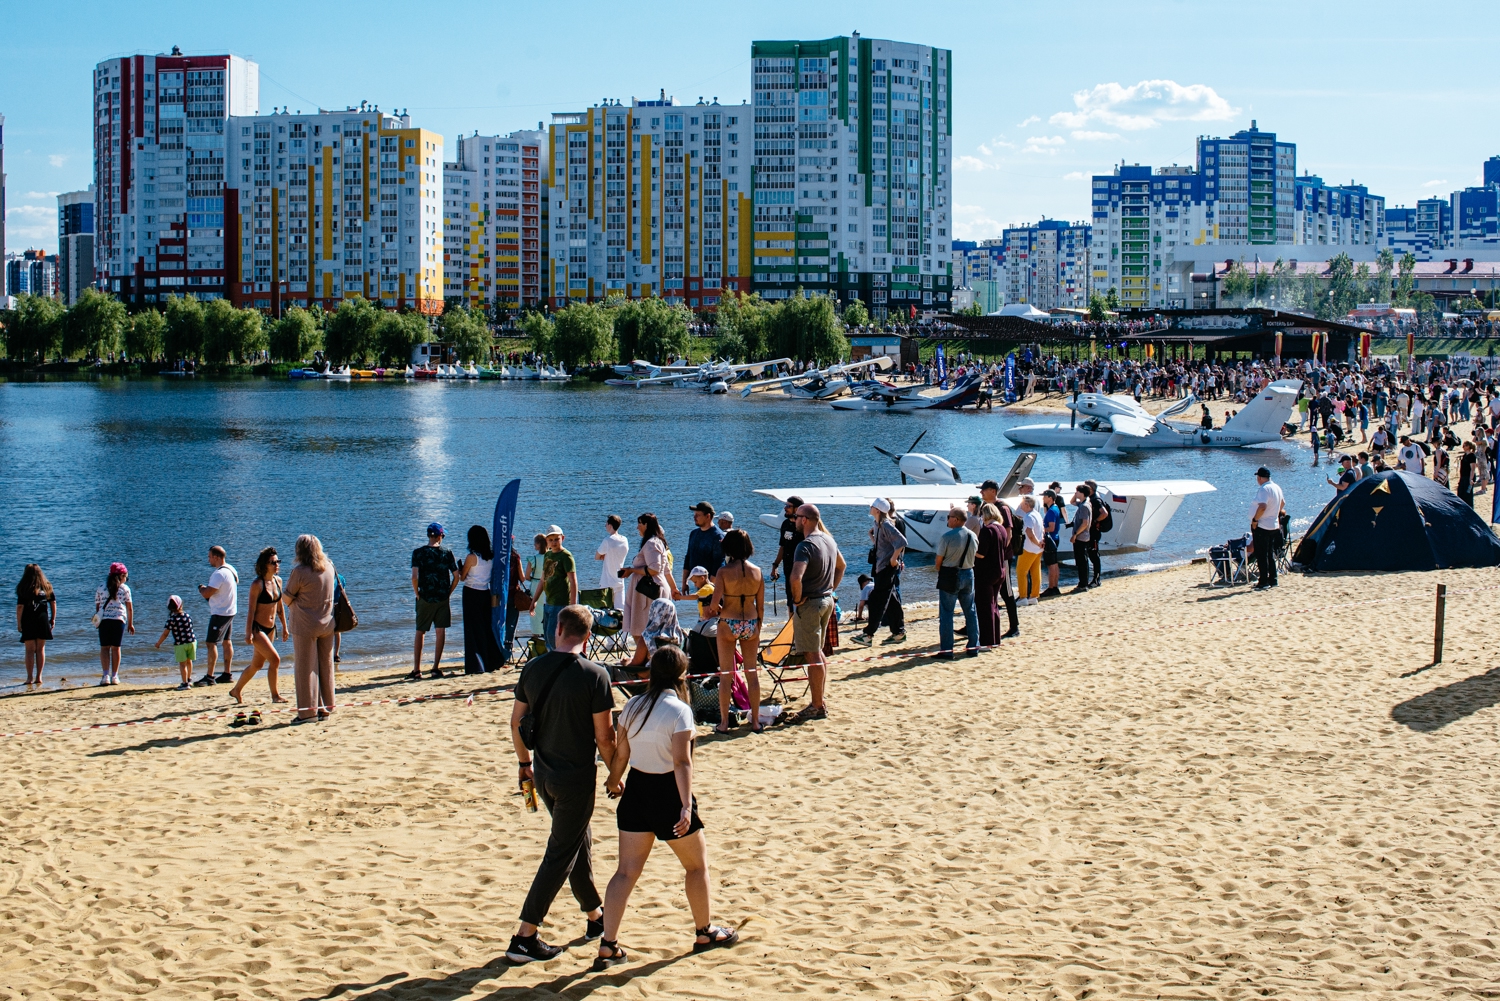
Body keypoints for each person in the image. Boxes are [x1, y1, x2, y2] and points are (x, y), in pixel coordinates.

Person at [594, 645, 738, 971]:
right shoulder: (679, 710)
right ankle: (704, 931)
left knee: (625, 872)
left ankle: (608, 944)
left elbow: (621, 753)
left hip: (637, 789)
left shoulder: (633, 705)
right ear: (682, 675)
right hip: (667, 793)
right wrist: (686, 806)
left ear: (651, 672)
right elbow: (682, 762)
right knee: (696, 867)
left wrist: (613, 781)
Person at [506, 604, 616, 964]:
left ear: (558, 629)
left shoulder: (533, 667)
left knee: (576, 842)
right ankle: (525, 935)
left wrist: (524, 763)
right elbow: (605, 737)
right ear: (588, 636)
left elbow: (516, 722)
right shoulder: (595, 675)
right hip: (575, 778)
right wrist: (616, 773)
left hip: (543, 773)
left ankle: (595, 916)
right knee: (561, 853)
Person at [787, 504, 845, 721]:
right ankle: (819, 701)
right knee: (818, 652)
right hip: (826, 601)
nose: (794, 520)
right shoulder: (829, 540)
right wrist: (830, 589)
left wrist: (796, 599)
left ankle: (817, 705)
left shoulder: (806, 545)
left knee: (812, 654)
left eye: (796, 516)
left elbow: (795, 577)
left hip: (811, 603)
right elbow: (842, 566)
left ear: (804, 520)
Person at [706, 529, 765, 733]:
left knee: (726, 675)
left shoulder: (723, 572)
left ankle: (723, 723)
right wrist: (757, 627)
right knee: (752, 674)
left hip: (728, 622)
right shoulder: (757, 571)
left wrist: (716, 609)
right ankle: (755, 721)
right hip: (751, 622)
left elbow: (714, 605)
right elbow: (761, 606)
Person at [284, 534, 337, 722]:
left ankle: (307, 713)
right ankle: (326, 707)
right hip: (327, 623)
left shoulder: (299, 572)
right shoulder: (329, 567)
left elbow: (287, 597)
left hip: (305, 625)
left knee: (305, 669)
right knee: (326, 666)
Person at [229, 547, 290, 705]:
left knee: (257, 664)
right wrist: (248, 632)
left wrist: (285, 626)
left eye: (277, 561)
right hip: (258, 629)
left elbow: (280, 607)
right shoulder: (257, 584)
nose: (276, 565)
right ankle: (275, 695)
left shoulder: (278, 581)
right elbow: (251, 610)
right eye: (272, 562)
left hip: (271, 629)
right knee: (275, 660)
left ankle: (236, 690)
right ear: (264, 565)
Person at [850, 498, 906, 647]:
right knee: (892, 600)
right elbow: (883, 545)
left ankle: (868, 635)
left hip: (886, 568)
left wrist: (894, 559)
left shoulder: (886, 524)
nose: (870, 507)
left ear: (878, 510)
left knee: (876, 601)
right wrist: (872, 537)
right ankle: (899, 632)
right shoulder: (878, 524)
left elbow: (901, 542)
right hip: (881, 568)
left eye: (872, 506)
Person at [410, 523, 459, 680]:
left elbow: (414, 577)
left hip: (424, 596)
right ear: (440, 536)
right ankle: (435, 667)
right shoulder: (447, 553)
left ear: (428, 535)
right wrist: (449, 592)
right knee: (440, 631)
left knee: (420, 631)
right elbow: (456, 576)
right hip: (442, 596)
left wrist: (417, 593)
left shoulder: (418, 553)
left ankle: (417, 669)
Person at [621, 514, 670, 669]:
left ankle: (649, 663)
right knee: (646, 630)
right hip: (650, 590)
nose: (637, 527)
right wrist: (674, 589)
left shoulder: (651, 543)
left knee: (641, 629)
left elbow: (655, 569)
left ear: (647, 525)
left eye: (640, 524)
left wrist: (632, 570)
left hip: (648, 592)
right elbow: (666, 570)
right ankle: (649, 661)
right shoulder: (657, 542)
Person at [933, 508, 979, 659]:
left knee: (946, 613)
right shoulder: (973, 536)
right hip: (969, 573)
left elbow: (938, 561)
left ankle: (947, 650)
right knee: (970, 611)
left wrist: (940, 570)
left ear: (956, 519)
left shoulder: (947, 537)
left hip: (951, 574)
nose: (947, 519)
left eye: (949, 517)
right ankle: (973, 646)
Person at [458, 525, 503, 675]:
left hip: (471, 592)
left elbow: (463, 577)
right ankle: (490, 660)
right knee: (484, 627)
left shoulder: (471, 557)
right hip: (485, 592)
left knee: (472, 629)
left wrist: (459, 570)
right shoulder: (491, 556)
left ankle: (475, 664)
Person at [194, 546, 239, 686]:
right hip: (230, 610)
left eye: (210, 557)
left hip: (220, 612)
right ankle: (227, 673)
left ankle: (210, 676)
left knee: (211, 643)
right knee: (226, 641)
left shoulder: (219, 574)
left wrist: (201, 588)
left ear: (217, 557)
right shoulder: (231, 569)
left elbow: (207, 593)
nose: (208, 560)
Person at [534, 526, 579, 652]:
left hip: (560, 602)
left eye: (556, 539)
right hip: (548, 602)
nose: (554, 542)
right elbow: (543, 580)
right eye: (551, 540)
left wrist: (573, 606)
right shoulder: (548, 555)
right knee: (547, 635)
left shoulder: (566, 556)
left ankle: (557, 657)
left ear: (562, 538)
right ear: (546, 541)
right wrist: (534, 600)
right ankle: (552, 656)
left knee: (553, 635)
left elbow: (573, 581)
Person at [94, 562, 134, 686]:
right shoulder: (125, 589)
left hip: (104, 620)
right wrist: (130, 624)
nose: (126, 579)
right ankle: (115, 676)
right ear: (121, 576)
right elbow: (129, 608)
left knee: (104, 647)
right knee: (116, 648)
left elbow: (98, 606)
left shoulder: (101, 587)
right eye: (126, 576)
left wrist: (98, 620)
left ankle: (106, 675)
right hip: (119, 620)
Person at [15, 564, 55, 686]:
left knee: (29, 650)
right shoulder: (47, 586)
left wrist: (19, 623)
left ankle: (29, 678)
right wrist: (53, 618)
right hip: (42, 619)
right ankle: (39, 677)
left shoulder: (24, 587)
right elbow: (53, 603)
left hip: (28, 621)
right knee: (40, 649)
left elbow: (20, 607)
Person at [973, 504, 1006, 647]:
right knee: (994, 606)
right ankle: (995, 639)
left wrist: (970, 550)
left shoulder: (987, 530)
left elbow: (981, 553)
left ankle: (986, 641)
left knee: (984, 607)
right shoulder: (1001, 529)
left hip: (986, 573)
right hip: (999, 570)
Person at [1250, 467, 1285, 591]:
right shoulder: (1276, 487)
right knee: (1269, 553)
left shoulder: (1264, 489)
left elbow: (1262, 506)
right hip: (1273, 525)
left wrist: (1255, 520)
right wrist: (1274, 513)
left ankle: (1264, 581)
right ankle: (1273, 579)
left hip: (1263, 525)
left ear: (1259, 478)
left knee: (1261, 554)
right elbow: (1282, 503)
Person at [681, 502, 726, 597]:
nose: (694, 517)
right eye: (694, 515)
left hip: (712, 587)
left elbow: (718, 564)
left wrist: (709, 587)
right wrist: (685, 582)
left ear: (708, 516)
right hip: (698, 584)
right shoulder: (694, 534)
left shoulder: (717, 536)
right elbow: (688, 558)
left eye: (698, 515)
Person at [154, 596, 197, 691]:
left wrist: (158, 643)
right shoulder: (187, 616)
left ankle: (185, 684)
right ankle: (189, 679)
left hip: (180, 643)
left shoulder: (172, 619)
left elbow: (165, 634)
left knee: (182, 664)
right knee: (189, 661)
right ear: (181, 605)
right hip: (192, 641)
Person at [594, 515, 630, 610]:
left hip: (607, 582)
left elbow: (597, 556)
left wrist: (604, 556)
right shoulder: (624, 540)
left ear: (610, 525)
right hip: (619, 580)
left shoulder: (607, 540)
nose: (605, 526)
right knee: (620, 611)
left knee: (605, 611)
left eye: (606, 524)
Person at [768, 496, 804, 583]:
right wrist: (775, 566)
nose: (785, 508)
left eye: (788, 506)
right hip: (787, 569)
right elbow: (783, 547)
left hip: (802, 571)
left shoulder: (804, 526)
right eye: (785, 505)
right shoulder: (785, 524)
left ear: (797, 509)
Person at [1017, 495, 1045, 605]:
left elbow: (1030, 533)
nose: (1020, 506)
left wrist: (1037, 542)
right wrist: (1040, 543)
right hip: (1038, 549)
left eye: (1022, 503)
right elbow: (1042, 530)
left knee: (1021, 571)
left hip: (1029, 548)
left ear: (1027, 504)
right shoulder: (1037, 514)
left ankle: (1023, 597)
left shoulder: (1028, 517)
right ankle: (1034, 596)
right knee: (1035, 571)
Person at [1068, 486, 1093, 594]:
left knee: (1082, 562)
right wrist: (1076, 495)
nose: (1076, 493)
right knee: (1081, 561)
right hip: (1083, 537)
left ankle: (1083, 584)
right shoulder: (1084, 503)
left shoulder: (1084, 506)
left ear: (1082, 493)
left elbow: (1084, 523)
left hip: (1081, 538)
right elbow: (1072, 502)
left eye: (1077, 491)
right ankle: (1082, 583)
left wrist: (1075, 534)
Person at [1040, 489, 1063, 598]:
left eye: (1045, 496)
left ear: (1050, 498)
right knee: (1054, 564)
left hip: (1050, 539)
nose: (1043, 498)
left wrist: (1041, 530)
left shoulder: (1051, 511)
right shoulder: (1055, 508)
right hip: (1054, 538)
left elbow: (1051, 527)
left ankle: (1052, 587)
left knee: (1051, 565)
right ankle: (1055, 586)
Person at [1458, 441, 1478, 507]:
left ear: (1469, 446)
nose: (1463, 447)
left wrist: (1471, 479)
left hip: (1468, 477)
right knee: (1461, 493)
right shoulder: (1465, 455)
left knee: (1468, 495)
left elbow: (1472, 469)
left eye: (1465, 445)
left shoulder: (1472, 456)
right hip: (1463, 476)